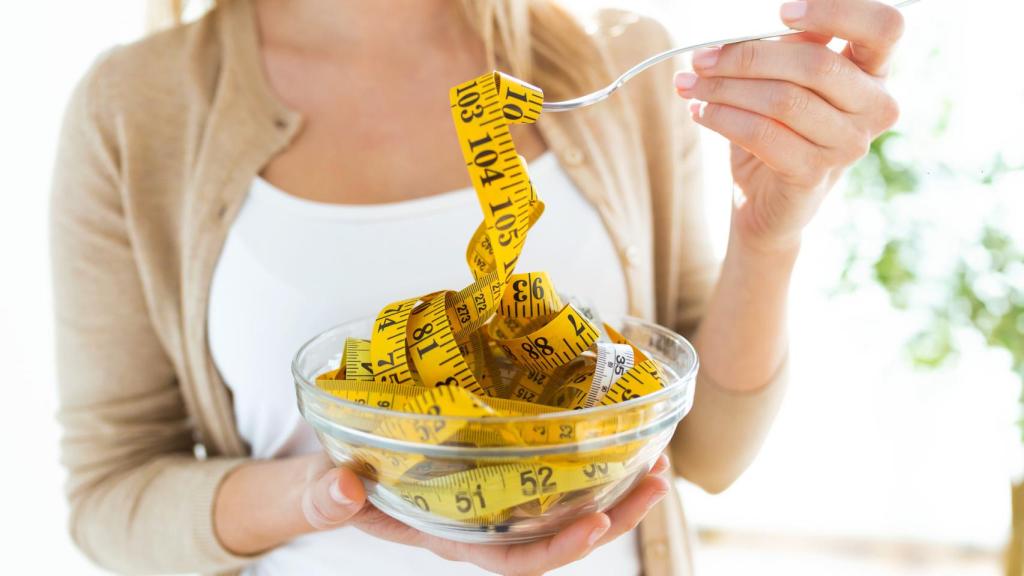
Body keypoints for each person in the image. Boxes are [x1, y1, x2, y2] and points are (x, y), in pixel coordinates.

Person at [50, 0, 903, 574]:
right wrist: (325, 497)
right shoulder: (133, 109)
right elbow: (108, 495)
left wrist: (768, 231)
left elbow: (707, 450)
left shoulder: (621, 64)